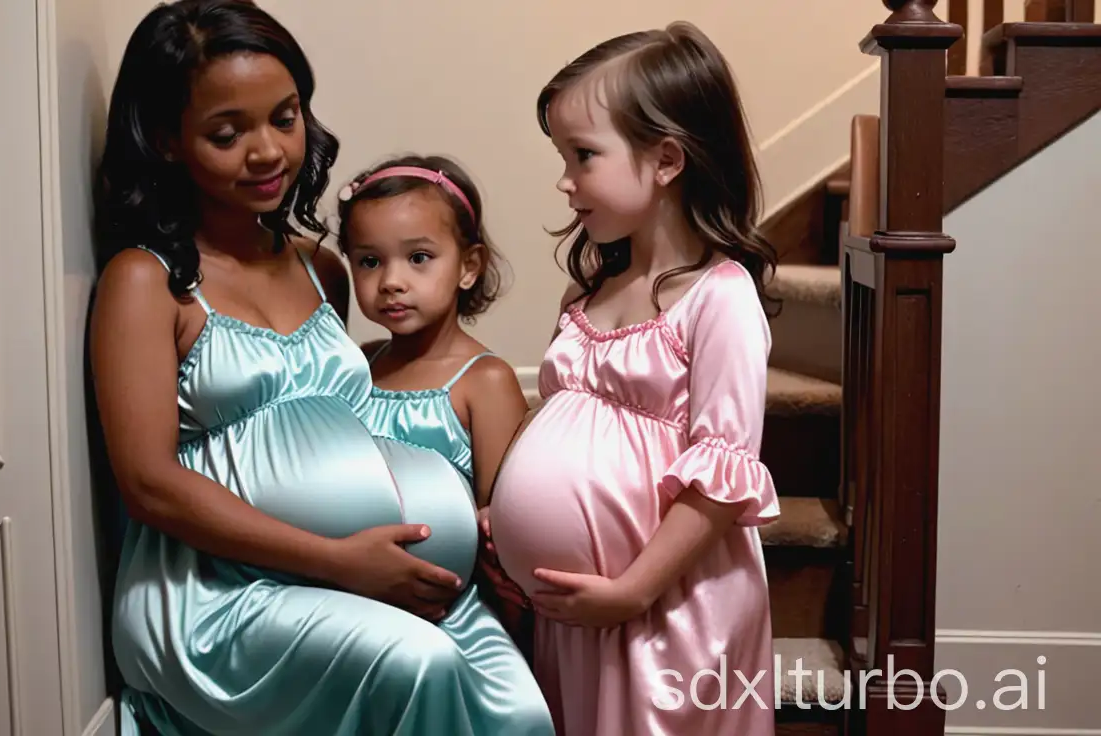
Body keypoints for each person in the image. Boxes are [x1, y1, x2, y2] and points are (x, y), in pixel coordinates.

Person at [88, 2, 553, 733]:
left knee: (521, 708)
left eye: (284, 116)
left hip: (358, 573)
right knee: (418, 663)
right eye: (226, 132)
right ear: (169, 141)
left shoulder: (321, 269)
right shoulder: (146, 281)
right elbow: (150, 485)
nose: (268, 151)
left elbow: (342, 431)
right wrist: (338, 560)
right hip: (215, 594)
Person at [485, 23, 782, 735]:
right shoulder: (588, 296)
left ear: (666, 160)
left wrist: (631, 590)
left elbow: (721, 479)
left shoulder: (721, 298)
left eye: (582, 156)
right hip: (580, 610)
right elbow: (561, 424)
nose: (565, 180)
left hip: (664, 606)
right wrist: (508, 511)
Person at [334, 154, 544, 660]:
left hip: (443, 607)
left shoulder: (484, 381)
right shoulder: (358, 365)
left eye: (419, 258)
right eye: (369, 261)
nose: (392, 281)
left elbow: (500, 526)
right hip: (353, 591)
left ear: (468, 267)